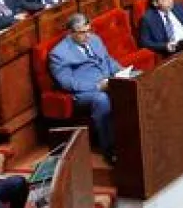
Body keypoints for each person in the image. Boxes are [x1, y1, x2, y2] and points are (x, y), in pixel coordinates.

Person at [47, 13, 125, 156]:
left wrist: (123, 72)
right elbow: (67, 83)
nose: (88, 35)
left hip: (108, 81)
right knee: (101, 99)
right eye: (83, 32)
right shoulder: (58, 54)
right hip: (84, 94)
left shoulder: (95, 39)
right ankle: (109, 149)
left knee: (132, 85)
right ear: (70, 33)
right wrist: (96, 86)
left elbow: (108, 60)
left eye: (89, 30)